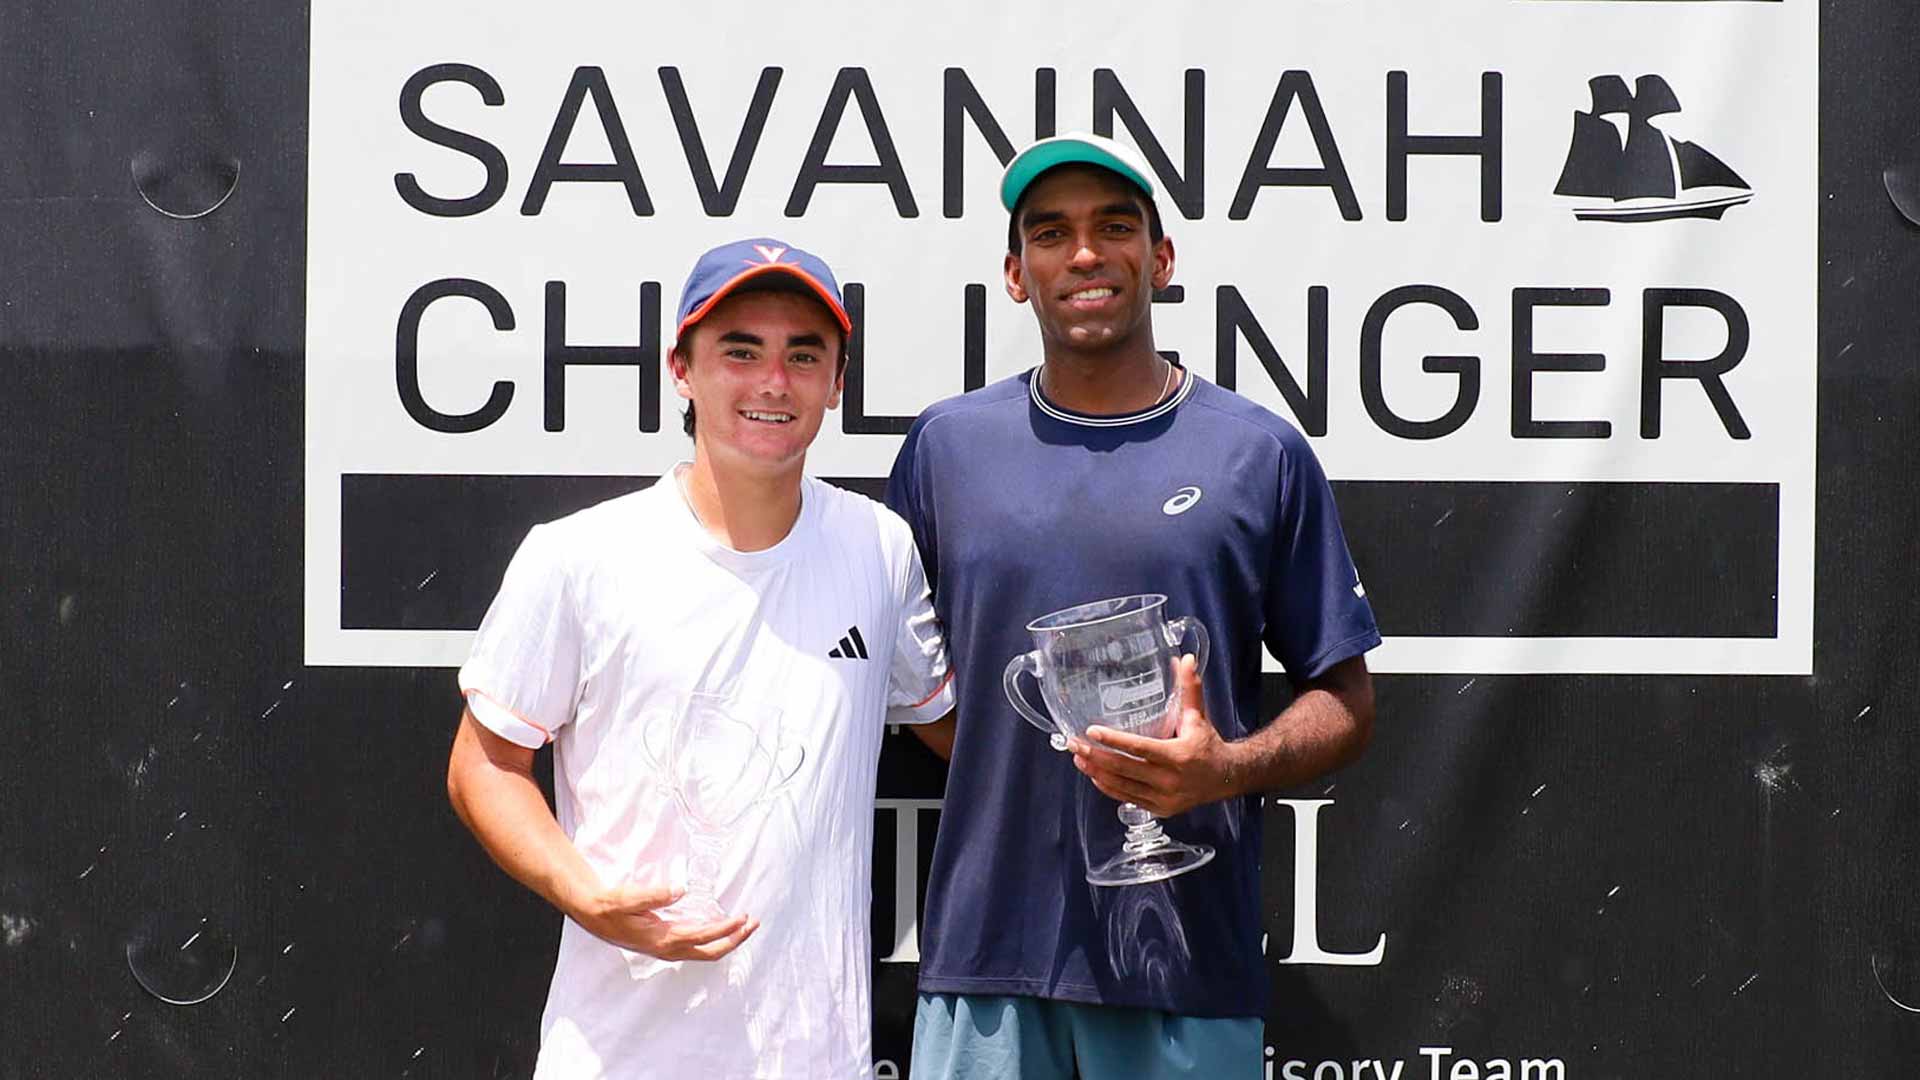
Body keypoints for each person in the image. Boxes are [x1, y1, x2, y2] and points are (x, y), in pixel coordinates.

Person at [885, 134, 1381, 1078]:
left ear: (1160, 259)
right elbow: (912, 687)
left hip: (1185, 965)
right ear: (1016, 274)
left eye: (1114, 227)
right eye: (1051, 233)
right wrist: (1046, 749)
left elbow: (1346, 703)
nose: (1084, 253)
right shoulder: (946, 449)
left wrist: (1223, 768)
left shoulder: (1257, 452)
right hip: (989, 962)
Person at [446, 237, 955, 1078]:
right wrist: (584, 894)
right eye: (740, 352)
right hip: (617, 1055)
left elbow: (954, 731)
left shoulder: (879, 548)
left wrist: (1108, 736)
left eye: (804, 355)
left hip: (817, 1060)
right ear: (681, 369)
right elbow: (484, 765)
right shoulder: (578, 556)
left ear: (837, 382)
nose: (773, 382)